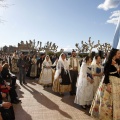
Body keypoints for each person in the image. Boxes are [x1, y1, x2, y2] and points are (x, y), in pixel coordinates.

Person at [90, 48, 120, 120]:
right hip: (109, 82)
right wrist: (108, 85)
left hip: (118, 83)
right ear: (114, 54)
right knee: (107, 101)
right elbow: (106, 74)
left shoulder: (118, 62)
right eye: (118, 53)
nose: (119, 55)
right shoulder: (108, 62)